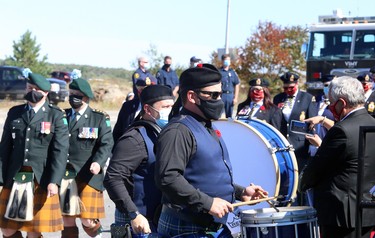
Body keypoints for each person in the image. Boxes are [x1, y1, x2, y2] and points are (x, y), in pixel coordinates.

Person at [155, 63, 267, 237]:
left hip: (210, 225)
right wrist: (207, 203)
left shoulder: (207, 126)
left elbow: (204, 175)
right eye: (213, 95)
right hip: (187, 227)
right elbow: (168, 178)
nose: (219, 101)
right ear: (192, 96)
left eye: (220, 94)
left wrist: (240, 192)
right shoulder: (178, 130)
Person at [300, 76, 375, 238]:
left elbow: (317, 169)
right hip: (367, 210)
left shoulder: (341, 130)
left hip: (341, 215)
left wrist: (302, 183)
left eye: (332, 103)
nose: (330, 107)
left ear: (342, 103)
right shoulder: (372, 123)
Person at [0, 69, 69, 238]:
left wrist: (54, 181)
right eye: (29, 87)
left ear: (45, 93)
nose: (31, 91)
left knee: (33, 230)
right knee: (7, 229)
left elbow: (60, 151)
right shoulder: (15, 112)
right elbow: (4, 148)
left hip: (41, 178)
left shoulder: (56, 115)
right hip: (14, 176)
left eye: (35, 89)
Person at [104, 85, 174, 237]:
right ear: (148, 110)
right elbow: (113, 178)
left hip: (154, 218)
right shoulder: (133, 139)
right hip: (135, 220)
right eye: (165, 107)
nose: (169, 110)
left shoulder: (161, 133)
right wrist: (133, 214)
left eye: (171, 106)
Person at [61, 71, 113, 237]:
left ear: (86, 97)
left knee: (87, 219)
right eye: (71, 94)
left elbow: (106, 143)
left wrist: (98, 162)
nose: (73, 98)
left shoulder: (98, 118)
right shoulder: (62, 115)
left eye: (77, 95)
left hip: (88, 175)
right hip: (65, 174)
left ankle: (97, 235)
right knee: (67, 218)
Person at [273, 72, 318, 170]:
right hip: (282, 142)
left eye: (291, 87)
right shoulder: (278, 98)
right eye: (285, 88)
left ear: (297, 85)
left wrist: (312, 144)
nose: (288, 90)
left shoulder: (307, 98)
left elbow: (312, 122)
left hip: (300, 145)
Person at [112, 79, 150, 144]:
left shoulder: (158, 108)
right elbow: (117, 131)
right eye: (141, 90)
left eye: (147, 90)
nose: (144, 93)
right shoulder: (127, 106)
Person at [219, 54, 240, 118]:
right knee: (219, 115)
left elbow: (237, 84)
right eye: (226, 60)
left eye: (228, 60)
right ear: (222, 61)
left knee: (229, 117)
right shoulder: (219, 72)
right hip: (221, 95)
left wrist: (235, 98)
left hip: (230, 96)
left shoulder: (233, 72)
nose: (227, 61)